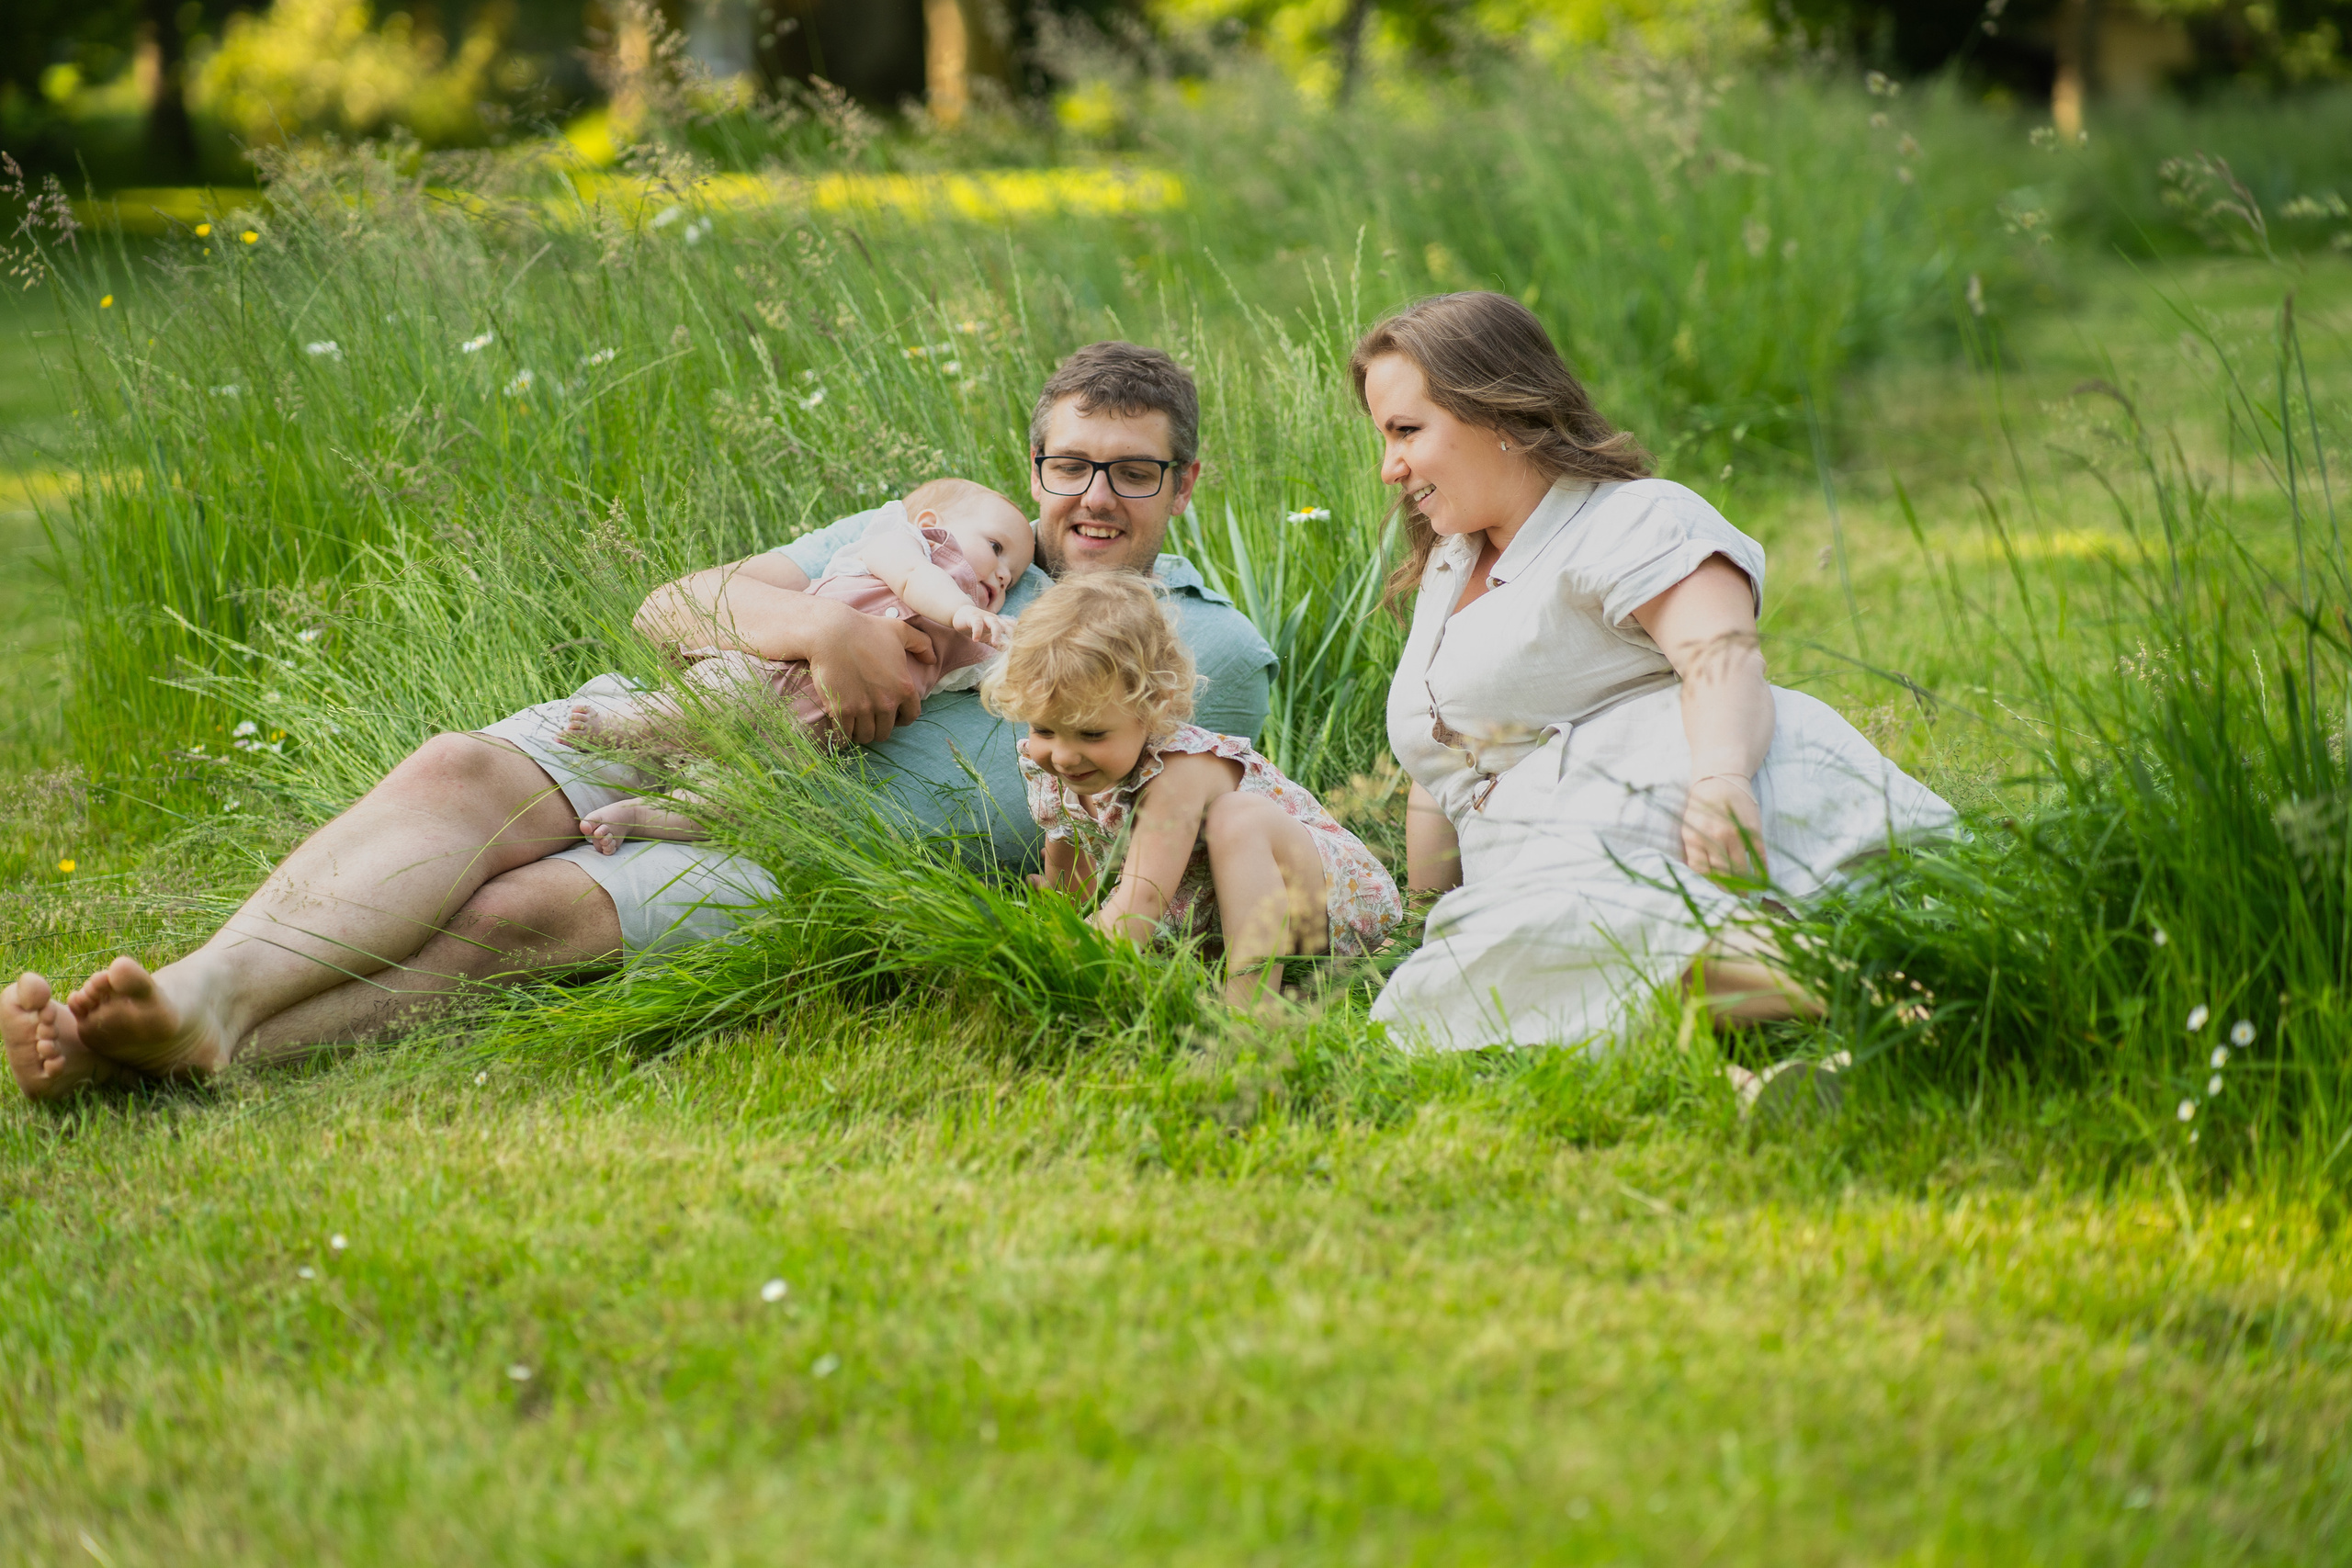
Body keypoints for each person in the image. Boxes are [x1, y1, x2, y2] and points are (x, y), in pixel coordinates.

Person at [3, 342, 1276, 1100]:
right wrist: (818, 630)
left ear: (1185, 481)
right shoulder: (957, 539)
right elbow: (676, 607)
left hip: (798, 850)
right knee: (461, 770)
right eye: (1072, 463)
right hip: (705, 717)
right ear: (1035, 461)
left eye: (1135, 469)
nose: (1095, 495)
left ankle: (190, 1045)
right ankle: (204, 987)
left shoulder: (1212, 648)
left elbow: (1175, 824)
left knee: (526, 909)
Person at [1354, 292, 1955, 1051]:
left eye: (1407, 431)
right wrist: (1423, 921)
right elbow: (1442, 774)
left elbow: (1721, 655)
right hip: (1548, 866)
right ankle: (1814, 1026)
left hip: (1680, 805)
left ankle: (1884, 989)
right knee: (1441, 997)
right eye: (1383, 436)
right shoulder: (1452, 560)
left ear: (1499, 409)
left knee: (1496, 983)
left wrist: (1721, 782)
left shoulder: (1630, 518)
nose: (1390, 466)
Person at [984, 574, 1400, 1007]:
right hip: (1236, 918)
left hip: (1332, 901)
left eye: (1091, 734)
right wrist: (1058, 917)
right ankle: (1250, 977)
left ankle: (1250, 1011)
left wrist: (1050, 961)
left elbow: (1140, 903)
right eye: (1044, 729)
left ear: (1152, 710)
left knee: (1235, 817)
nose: (1065, 756)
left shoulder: (1177, 770)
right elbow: (1071, 864)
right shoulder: (1052, 764)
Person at [565, 478, 1032, 853]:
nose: (1006, 573)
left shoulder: (969, 639)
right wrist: (958, 610)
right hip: (762, 673)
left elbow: (997, 677)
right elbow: (914, 578)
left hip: (807, 739)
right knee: (716, 700)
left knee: (747, 797)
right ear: (932, 524)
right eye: (995, 547)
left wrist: (1010, 645)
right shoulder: (903, 546)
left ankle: (644, 816)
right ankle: (624, 726)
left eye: (1014, 569)